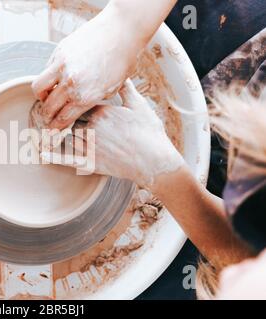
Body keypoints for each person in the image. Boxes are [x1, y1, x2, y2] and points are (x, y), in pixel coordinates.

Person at [32, 0, 266, 299]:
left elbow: (241, 254)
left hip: (221, 203)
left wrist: (161, 171)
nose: (229, 278)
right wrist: (123, 26)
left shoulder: (239, 276)